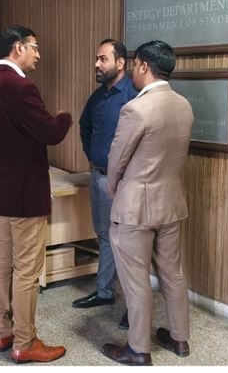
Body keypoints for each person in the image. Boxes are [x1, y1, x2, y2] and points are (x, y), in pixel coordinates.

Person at [0, 24, 72, 364]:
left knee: (2, 263)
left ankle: (3, 332)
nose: (38, 54)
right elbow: (49, 132)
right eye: (35, 47)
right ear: (18, 47)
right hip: (25, 197)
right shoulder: (21, 87)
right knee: (27, 271)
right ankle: (26, 342)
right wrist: (64, 118)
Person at [101, 40, 194, 366]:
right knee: (173, 273)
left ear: (143, 66)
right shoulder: (184, 105)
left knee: (136, 279)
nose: (133, 72)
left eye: (135, 66)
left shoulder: (136, 109)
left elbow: (116, 160)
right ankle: (180, 338)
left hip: (135, 208)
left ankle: (138, 349)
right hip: (171, 204)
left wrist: (114, 190)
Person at [72, 39, 137, 331]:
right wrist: (92, 154)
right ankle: (104, 292)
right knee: (104, 235)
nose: (97, 64)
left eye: (103, 59)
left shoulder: (134, 93)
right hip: (99, 176)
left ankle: (135, 307)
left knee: (129, 242)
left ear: (120, 63)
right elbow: (84, 126)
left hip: (125, 181)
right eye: (97, 59)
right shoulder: (98, 96)